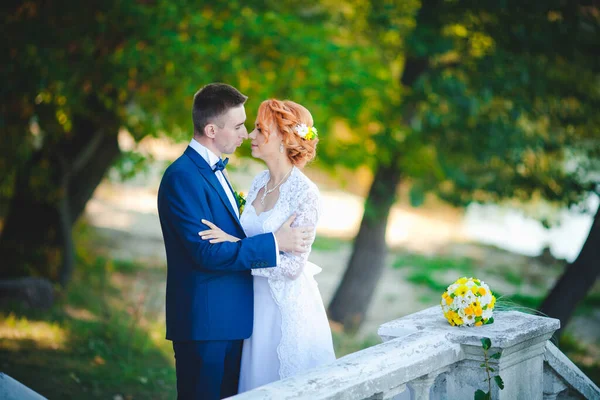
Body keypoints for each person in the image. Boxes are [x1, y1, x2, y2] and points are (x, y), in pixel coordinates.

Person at [157, 84, 313, 400]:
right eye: (239, 126)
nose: (245, 135)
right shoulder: (182, 177)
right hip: (205, 325)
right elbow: (204, 252)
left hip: (234, 323)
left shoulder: (218, 172)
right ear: (212, 129)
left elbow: (231, 237)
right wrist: (274, 243)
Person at [198, 99, 336, 392]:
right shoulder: (260, 180)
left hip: (282, 310)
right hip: (250, 303)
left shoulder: (306, 194)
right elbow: (255, 242)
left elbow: (292, 267)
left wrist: (237, 246)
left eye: (260, 129)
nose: (250, 135)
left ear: (285, 138)